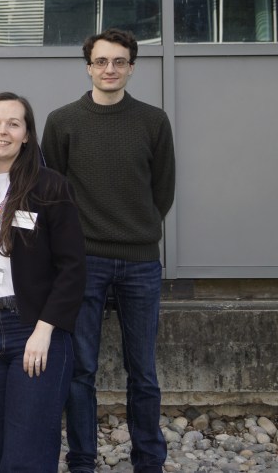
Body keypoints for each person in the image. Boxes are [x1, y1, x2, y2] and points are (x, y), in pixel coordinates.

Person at [42, 29, 176, 473]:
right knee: (80, 370)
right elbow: (53, 192)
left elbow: (163, 191)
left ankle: (149, 460)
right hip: (84, 261)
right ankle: (82, 460)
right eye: (101, 62)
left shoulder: (153, 121)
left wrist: (138, 230)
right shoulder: (63, 122)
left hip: (140, 261)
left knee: (143, 372)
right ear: (88, 67)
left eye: (119, 62)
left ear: (132, 68)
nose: (110, 70)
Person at [0, 92, 86, 472]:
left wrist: (44, 331)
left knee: (27, 453)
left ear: (27, 135)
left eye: (14, 123)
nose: (2, 131)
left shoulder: (50, 187)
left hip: (31, 327)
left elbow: (73, 268)